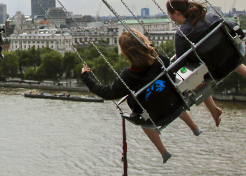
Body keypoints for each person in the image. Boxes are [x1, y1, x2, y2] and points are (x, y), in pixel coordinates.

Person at [81, 30, 205, 163]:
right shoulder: (160, 61)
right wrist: (150, 47)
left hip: (155, 118)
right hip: (176, 104)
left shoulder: (128, 77)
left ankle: (163, 151)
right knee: (168, 95)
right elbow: (169, 66)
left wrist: (86, 77)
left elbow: (106, 92)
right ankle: (194, 127)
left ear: (123, 52)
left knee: (142, 114)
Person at [166, 0, 246, 126]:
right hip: (233, 56)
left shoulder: (181, 34)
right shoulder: (211, 16)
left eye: (170, 14)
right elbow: (232, 26)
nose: (170, 18)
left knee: (194, 76)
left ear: (177, 13)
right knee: (223, 51)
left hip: (212, 72)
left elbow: (181, 63)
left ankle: (214, 110)